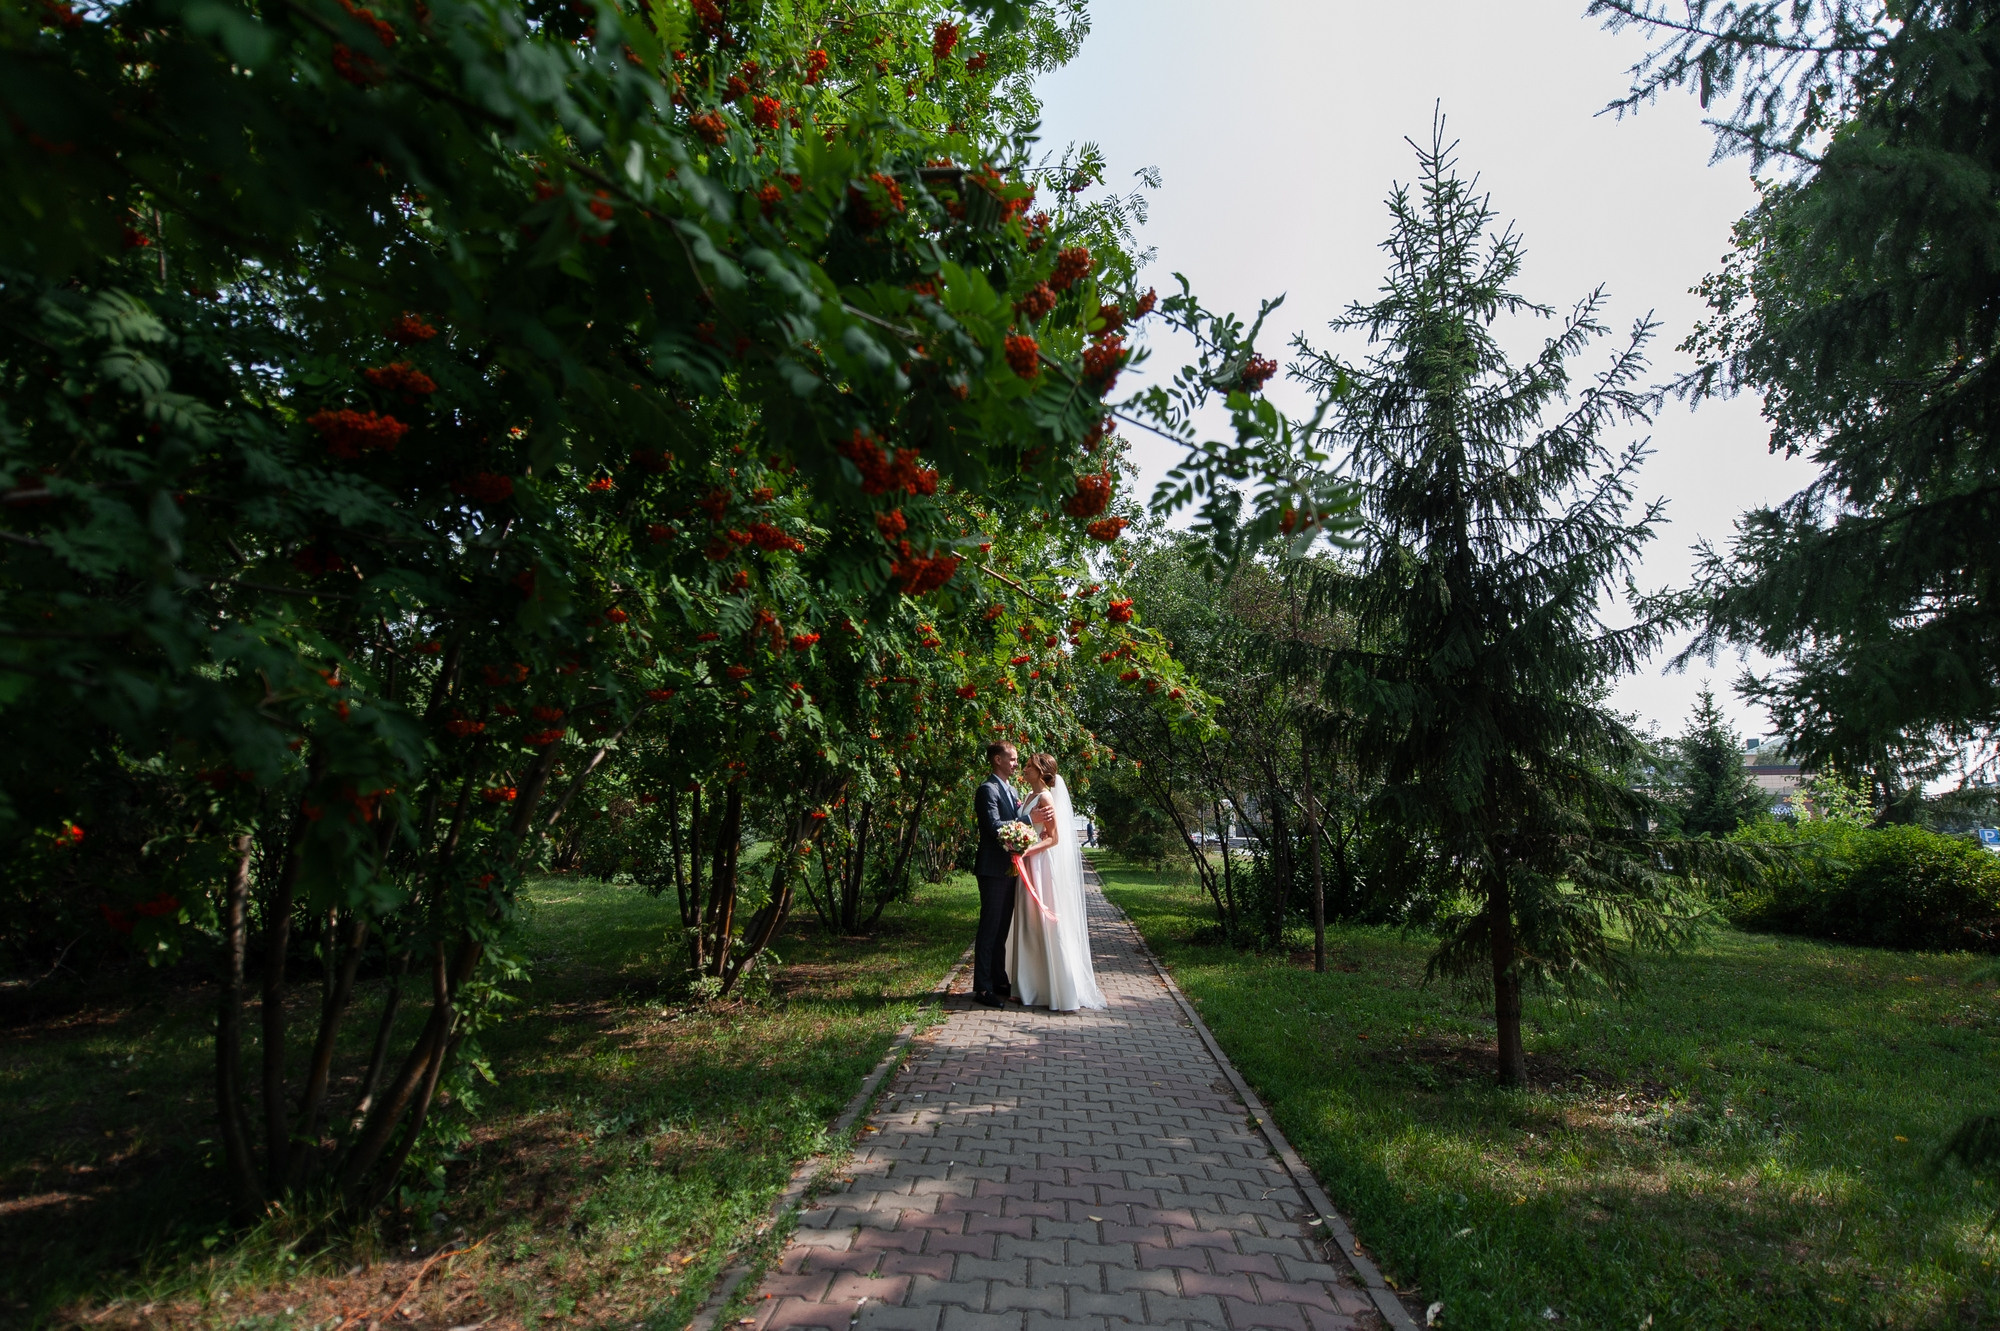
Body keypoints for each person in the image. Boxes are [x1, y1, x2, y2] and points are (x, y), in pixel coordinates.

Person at [1006, 753, 1106, 1012]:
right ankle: (1024, 985)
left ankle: (1050, 986)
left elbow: (1054, 838)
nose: (1024, 769)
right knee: (1025, 923)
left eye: (1028, 766)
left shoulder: (1046, 798)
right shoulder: (1028, 797)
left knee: (1041, 922)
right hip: (1025, 862)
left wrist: (1025, 850)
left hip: (1039, 865)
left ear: (1040, 771)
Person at [970, 741, 1031, 1009]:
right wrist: (1027, 821)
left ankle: (998, 979)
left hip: (1009, 868)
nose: (1016, 764)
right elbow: (993, 826)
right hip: (992, 869)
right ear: (997, 759)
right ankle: (982, 988)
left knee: (1002, 928)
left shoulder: (1011, 789)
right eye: (1013, 759)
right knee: (990, 927)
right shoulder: (987, 789)